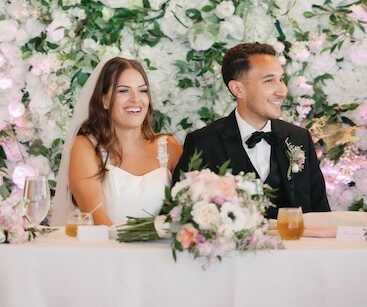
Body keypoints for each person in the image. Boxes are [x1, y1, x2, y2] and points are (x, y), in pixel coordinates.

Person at [172, 42, 330, 219]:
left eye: (281, 79)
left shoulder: (299, 138)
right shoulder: (204, 143)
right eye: (269, 80)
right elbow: (182, 212)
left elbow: (320, 213)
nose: (282, 90)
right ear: (238, 89)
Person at [51, 56, 182, 226]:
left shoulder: (169, 148)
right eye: (123, 91)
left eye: (142, 90)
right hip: (107, 249)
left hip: (162, 250)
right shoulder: (86, 147)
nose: (135, 99)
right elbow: (95, 216)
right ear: (104, 99)